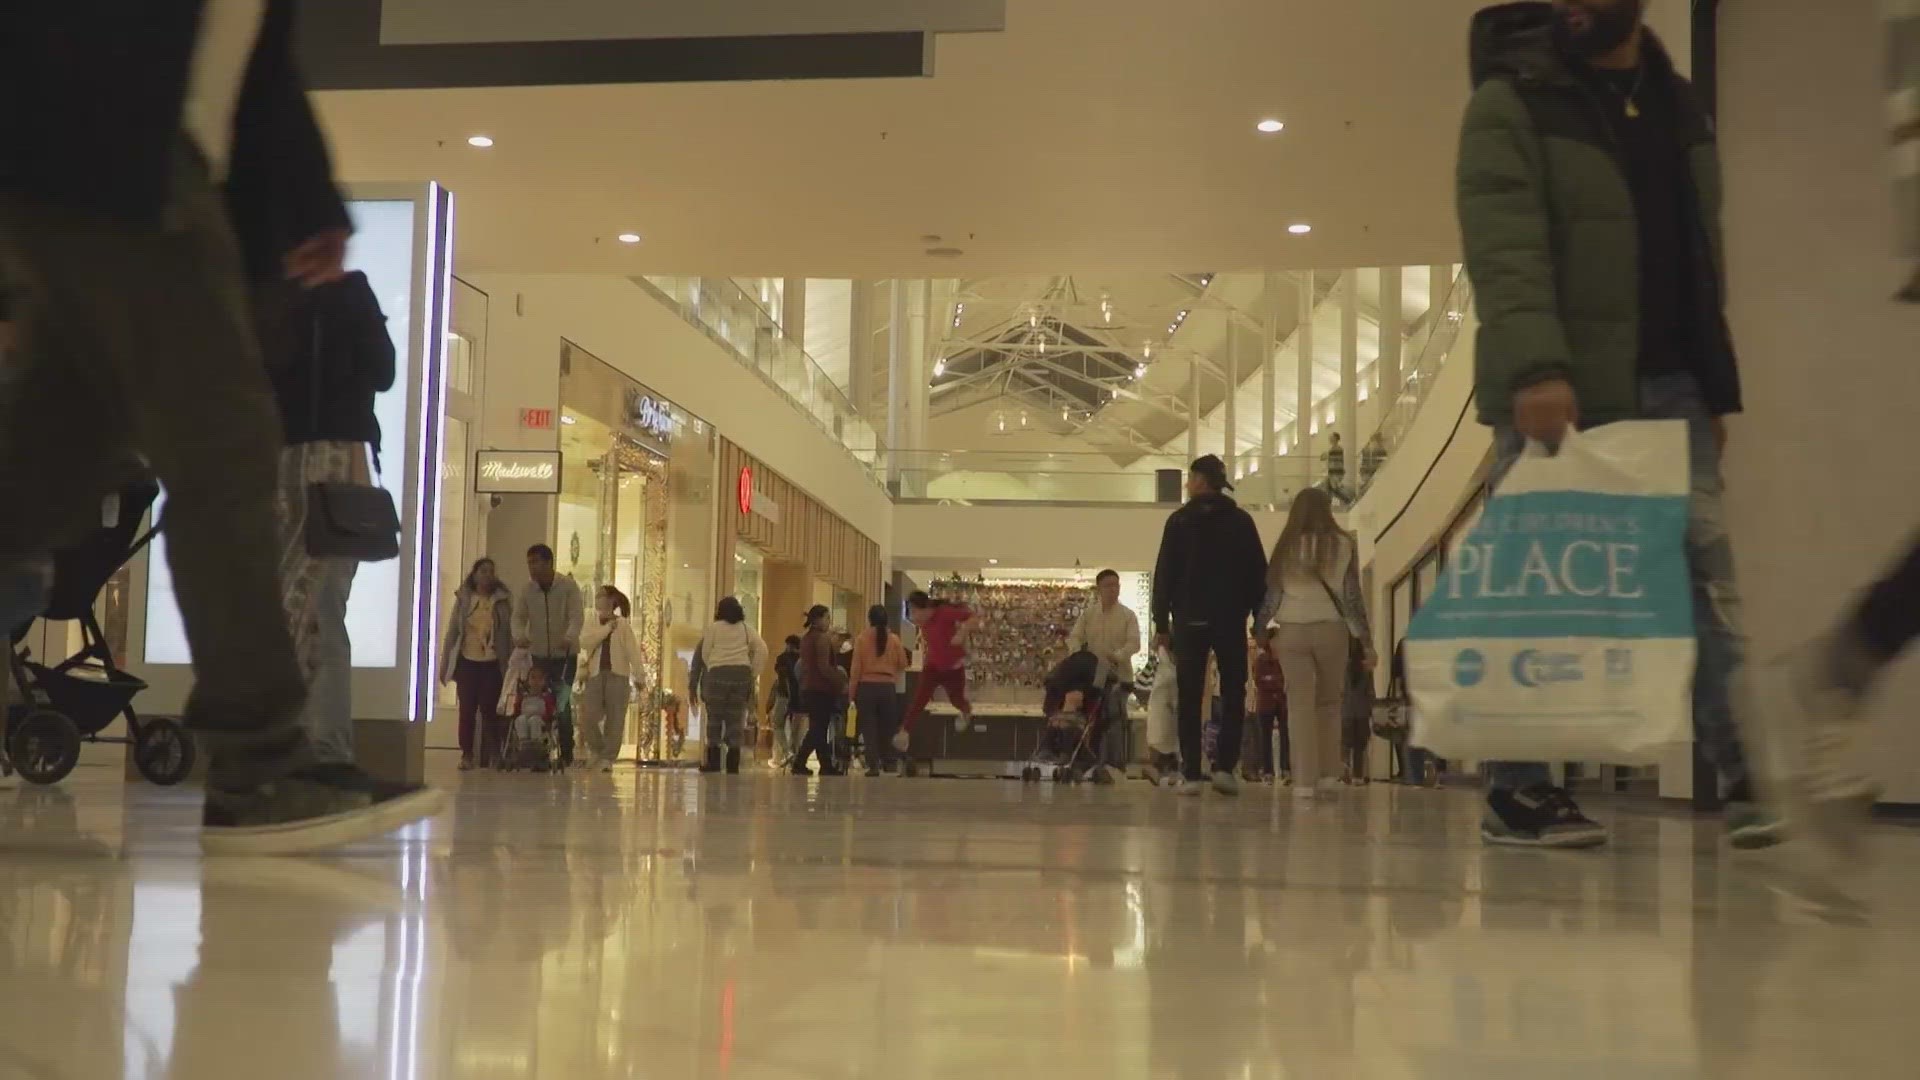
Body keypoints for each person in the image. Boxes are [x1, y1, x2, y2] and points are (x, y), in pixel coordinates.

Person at [0, 1, 443, 853]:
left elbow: (254, 56)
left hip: (140, 165)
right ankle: (261, 761)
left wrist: (309, 196)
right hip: (116, 157)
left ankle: (264, 761)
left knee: (44, 474)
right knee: (226, 454)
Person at [1456, 0, 1780, 848]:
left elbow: (1699, 255)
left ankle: (1749, 771)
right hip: (1560, 380)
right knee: (1534, 587)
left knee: (1705, 580)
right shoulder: (1511, 101)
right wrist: (1535, 365)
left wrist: (1715, 387)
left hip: (1673, 381)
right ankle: (1516, 790)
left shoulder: (1674, 102)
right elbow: (1504, 243)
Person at [266, 269, 395, 771]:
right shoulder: (349, 294)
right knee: (320, 610)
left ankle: (309, 749)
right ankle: (319, 751)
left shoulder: (271, 297)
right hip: (334, 471)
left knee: (305, 608)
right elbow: (382, 370)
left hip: (289, 469)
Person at [1150, 454, 1269, 796]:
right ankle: (1224, 768)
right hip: (1230, 618)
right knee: (1233, 690)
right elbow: (1258, 574)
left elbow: (1165, 574)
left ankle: (1190, 771)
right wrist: (1258, 618)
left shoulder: (1179, 522)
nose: (1187, 486)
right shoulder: (1241, 521)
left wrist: (1161, 621)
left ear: (1200, 480)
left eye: (1190, 479)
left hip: (1189, 618)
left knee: (1189, 694)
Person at [1258, 487, 1374, 801]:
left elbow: (1272, 596)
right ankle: (1328, 775)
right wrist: (1365, 640)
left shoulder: (1285, 547)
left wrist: (1259, 629)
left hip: (1292, 630)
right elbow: (1352, 597)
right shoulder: (1343, 544)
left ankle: (1303, 781)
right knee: (1329, 702)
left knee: (1298, 704)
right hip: (1331, 630)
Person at [439, 558, 514, 770]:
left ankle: (494, 754)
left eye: (491, 571)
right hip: (467, 662)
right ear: (474, 574)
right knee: (467, 710)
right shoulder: (464, 598)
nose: (487, 575)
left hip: (492, 663)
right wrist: (445, 663)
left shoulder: (502, 600)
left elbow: (508, 632)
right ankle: (467, 754)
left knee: (490, 710)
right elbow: (453, 631)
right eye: (483, 571)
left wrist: (510, 661)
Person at [1066, 569, 1142, 778]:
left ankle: (1115, 765)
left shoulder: (1128, 615)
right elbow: (1075, 637)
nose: (1114, 589)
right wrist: (1077, 654)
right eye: (1109, 585)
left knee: (1114, 719)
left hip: (1119, 678)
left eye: (1116, 585)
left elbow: (1134, 643)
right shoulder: (1089, 614)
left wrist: (1117, 656)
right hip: (1093, 677)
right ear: (1099, 588)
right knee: (1092, 720)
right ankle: (1091, 763)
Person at [515, 544, 584, 766]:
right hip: (539, 656)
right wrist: (519, 636)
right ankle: (537, 750)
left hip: (564, 656)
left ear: (548, 563)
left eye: (535, 562)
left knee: (561, 703)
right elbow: (518, 617)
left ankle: (566, 751)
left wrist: (569, 637)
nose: (531, 568)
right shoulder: (528, 590)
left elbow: (576, 616)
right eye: (528, 563)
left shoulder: (568, 587)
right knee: (540, 702)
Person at [690, 596, 767, 775]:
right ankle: (733, 764)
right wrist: (752, 672)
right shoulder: (747, 629)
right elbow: (762, 649)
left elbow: (705, 651)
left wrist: (713, 666)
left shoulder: (714, 628)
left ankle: (714, 763)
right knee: (735, 719)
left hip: (717, 675)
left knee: (715, 719)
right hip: (741, 675)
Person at [576, 585, 642, 773]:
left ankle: (607, 757)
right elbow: (585, 641)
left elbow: (633, 652)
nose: (599, 599)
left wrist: (639, 675)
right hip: (595, 675)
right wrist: (606, 629)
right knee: (588, 716)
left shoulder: (623, 626)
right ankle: (596, 750)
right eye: (597, 596)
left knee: (616, 718)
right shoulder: (591, 620)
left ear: (612, 600)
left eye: (602, 596)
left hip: (618, 676)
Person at [903, 591, 975, 736]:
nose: (913, 616)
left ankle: (966, 711)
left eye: (914, 611)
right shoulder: (923, 623)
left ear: (924, 608)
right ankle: (904, 732)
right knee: (920, 699)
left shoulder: (944, 613)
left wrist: (961, 633)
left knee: (957, 700)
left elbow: (972, 617)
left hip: (953, 668)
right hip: (933, 666)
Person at [849, 604, 909, 776]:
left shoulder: (861, 639)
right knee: (888, 727)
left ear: (870, 620)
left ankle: (873, 765)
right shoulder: (894, 639)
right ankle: (889, 762)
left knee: (869, 728)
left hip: (866, 687)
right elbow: (903, 663)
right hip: (887, 688)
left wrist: (852, 695)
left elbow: (855, 670)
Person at [792, 604, 846, 776]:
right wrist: (840, 682)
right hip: (821, 688)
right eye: (827, 618)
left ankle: (821, 764)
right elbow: (824, 667)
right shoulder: (822, 639)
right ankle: (805, 762)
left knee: (817, 728)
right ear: (818, 619)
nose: (829, 622)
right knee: (818, 728)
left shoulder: (806, 639)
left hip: (809, 687)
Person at [1243, 637, 1289, 783]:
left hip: (1282, 703)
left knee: (1285, 736)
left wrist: (1274, 681)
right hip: (1265, 704)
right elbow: (1260, 680)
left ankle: (1285, 768)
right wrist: (1275, 682)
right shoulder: (1261, 661)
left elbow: (1285, 680)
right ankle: (1267, 770)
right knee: (1265, 738)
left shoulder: (1283, 661)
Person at [768, 634, 803, 767]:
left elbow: (781, 677)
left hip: (784, 695)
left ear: (788, 645)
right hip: (800, 698)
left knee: (777, 724)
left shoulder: (782, 659)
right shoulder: (803, 660)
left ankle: (787, 752)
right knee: (797, 731)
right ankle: (796, 757)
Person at [1322, 434, 1348, 502]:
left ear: (1335, 439)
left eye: (1332, 437)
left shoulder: (1338, 449)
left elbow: (1337, 459)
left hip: (1336, 471)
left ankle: (1347, 499)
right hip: (1332, 471)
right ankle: (1328, 503)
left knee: (1334, 488)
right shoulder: (1332, 449)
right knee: (1329, 488)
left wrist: (1327, 456)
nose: (1330, 439)